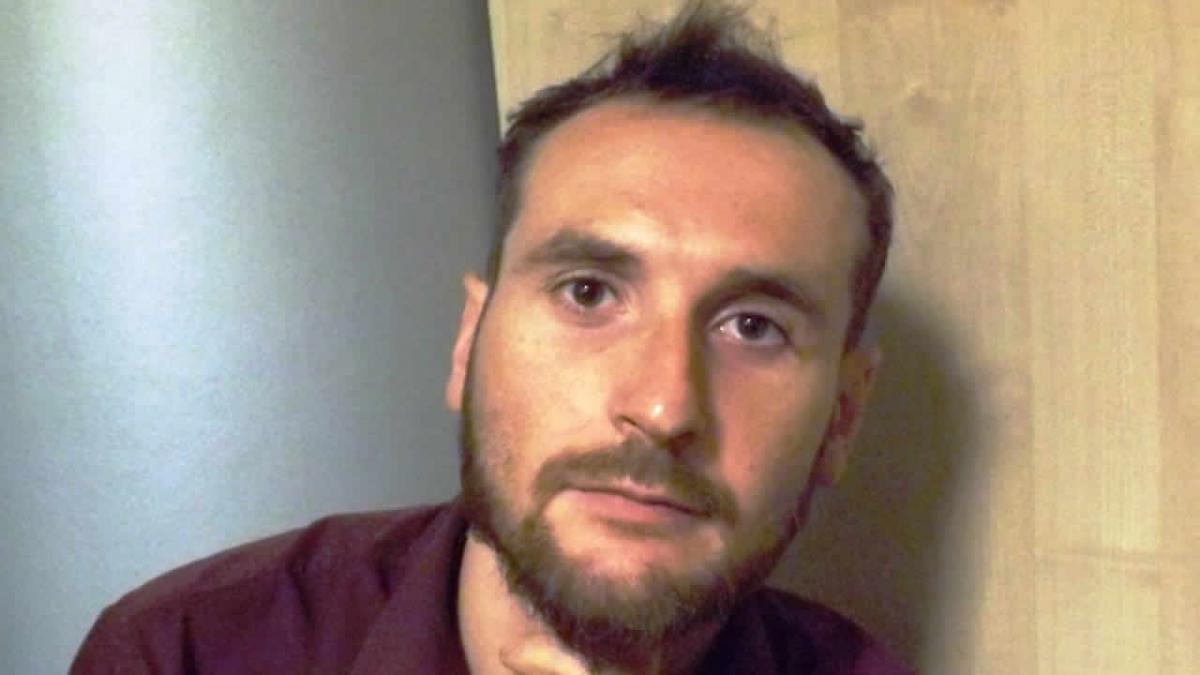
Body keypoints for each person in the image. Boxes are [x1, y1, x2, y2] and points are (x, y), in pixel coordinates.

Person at [71, 2, 908, 673]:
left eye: (753, 327)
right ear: (469, 343)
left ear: (841, 418)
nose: (662, 407)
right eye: (588, 292)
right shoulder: (182, 653)